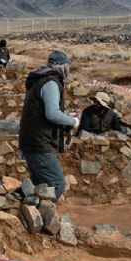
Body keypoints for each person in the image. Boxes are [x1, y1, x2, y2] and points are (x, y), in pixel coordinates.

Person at [17, 50, 79, 199]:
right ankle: (41, 217)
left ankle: (25, 212)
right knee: (56, 183)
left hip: (33, 140)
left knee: (39, 184)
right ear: (61, 67)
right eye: (67, 67)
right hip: (38, 143)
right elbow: (52, 114)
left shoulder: (42, 79)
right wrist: (73, 121)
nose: (68, 71)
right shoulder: (51, 82)